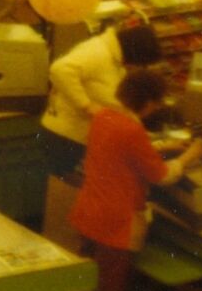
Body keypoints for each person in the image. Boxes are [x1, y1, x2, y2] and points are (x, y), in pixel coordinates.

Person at [69, 70, 202, 291]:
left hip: (90, 211)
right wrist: (190, 155)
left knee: (86, 283)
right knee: (108, 290)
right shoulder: (133, 130)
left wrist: (163, 145)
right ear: (150, 102)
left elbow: (120, 152)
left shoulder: (104, 116)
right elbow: (161, 176)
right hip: (116, 223)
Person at [40, 24, 164, 178]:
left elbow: (108, 97)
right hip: (66, 137)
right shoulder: (98, 52)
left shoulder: (111, 58)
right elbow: (60, 69)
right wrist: (86, 105)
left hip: (73, 137)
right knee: (66, 195)